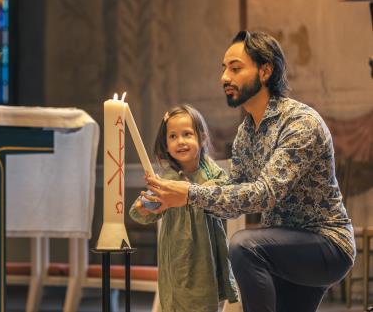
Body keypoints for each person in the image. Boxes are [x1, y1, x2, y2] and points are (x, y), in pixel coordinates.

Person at [143, 31, 355, 312]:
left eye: (235, 68)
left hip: (326, 244)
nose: (224, 78)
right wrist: (170, 198)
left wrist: (191, 194)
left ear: (265, 71)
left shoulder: (300, 123)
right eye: (223, 69)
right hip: (280, 248)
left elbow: (264, 194)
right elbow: (233, 201)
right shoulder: (246, 132)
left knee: (244, 246)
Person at [129, 104, 238, 312]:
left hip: (204, 255)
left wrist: (192, 191)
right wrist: (146, 205)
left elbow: (225, 188)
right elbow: (144, 211)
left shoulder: (209, 170)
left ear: (202, 137)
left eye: (187, 134)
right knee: (175, 300)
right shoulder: (167, 178)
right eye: (172, 136)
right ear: (166, 144)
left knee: (203, 299)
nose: (180, 141)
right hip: (176, 255)